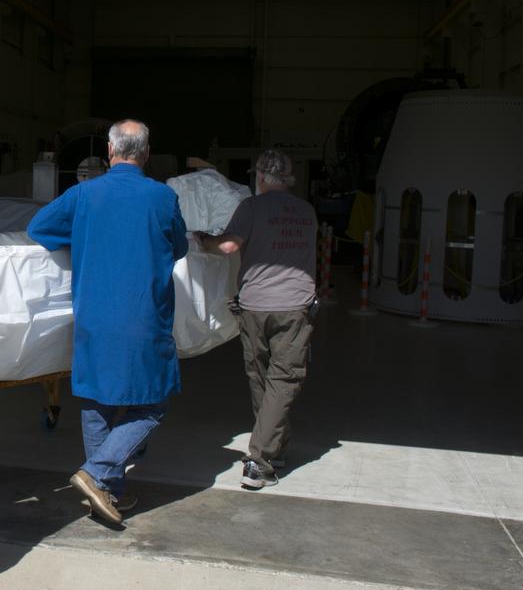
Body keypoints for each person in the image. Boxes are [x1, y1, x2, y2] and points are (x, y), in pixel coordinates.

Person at [27, 119, 188, 525]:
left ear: (110, 152)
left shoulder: (84, 194)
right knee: (151, 404)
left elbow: (39, 228)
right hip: (143, 316)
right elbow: (181, 247)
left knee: (98, 403)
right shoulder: (162, 198)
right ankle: (98, 472)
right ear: (145, 154)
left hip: (93, 316)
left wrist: (83, 236)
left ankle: (107, 494)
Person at [201, 149, 318, 490]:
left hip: (255, 305)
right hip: (295, 306)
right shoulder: (307, 211)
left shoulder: (252, 207)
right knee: (283, 379)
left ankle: (259, 459)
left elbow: (227, 247)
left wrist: (203, 240)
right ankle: (272, 450)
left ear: (261, 178)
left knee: (262, 378)